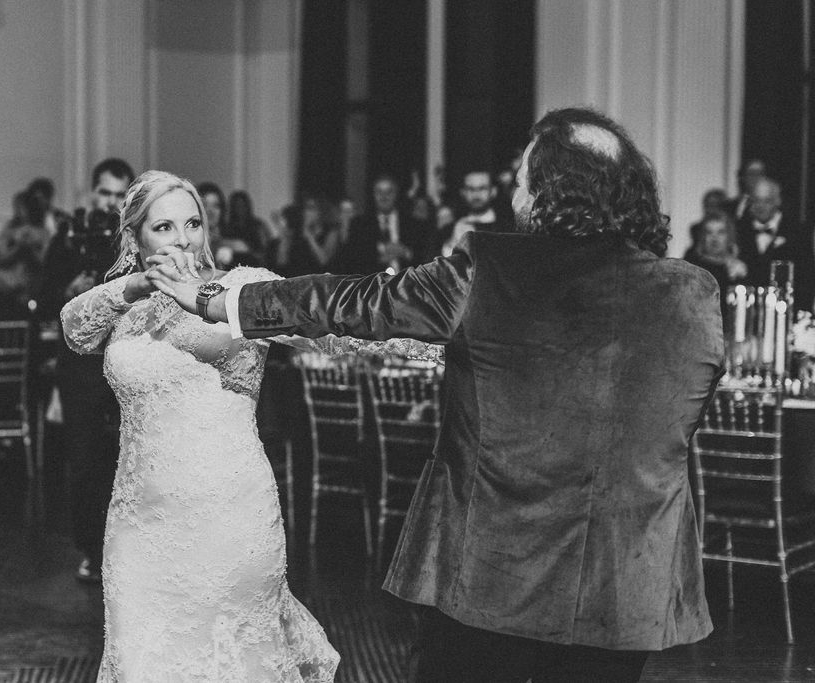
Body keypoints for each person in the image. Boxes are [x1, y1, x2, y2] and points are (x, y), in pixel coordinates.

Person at [152, 108, 724, 682]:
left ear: (551, 194)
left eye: (521, 181)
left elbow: (354, 301)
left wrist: (220, 300)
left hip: (490, 573)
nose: (514, 194)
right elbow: (680, 428)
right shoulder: (693, 294)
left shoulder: (486, 271)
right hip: (622, 584)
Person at [61, 170, 436, 680]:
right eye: (164, 227)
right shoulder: (128, 308)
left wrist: (431, 339)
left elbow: (331, 324)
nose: (183, 238)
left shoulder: (238, 288)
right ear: (135, 237)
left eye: (192, 223)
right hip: (139, 524)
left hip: (228, 515)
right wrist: (133, 286)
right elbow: (74, 329)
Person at [41, 156, 133, 583]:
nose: (111, 201)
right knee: (83, 460)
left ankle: (127, 548)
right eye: (105, 192)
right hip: (79, 365)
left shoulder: (134, 240)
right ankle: (91, 550)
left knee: (127, 457)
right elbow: (41, 297)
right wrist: (68, 290)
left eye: (120, 194)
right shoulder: (69, 237)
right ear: (92, 193)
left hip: (125, 358)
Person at [735, 176, 815, 311]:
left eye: (767, 201)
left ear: (778, 201)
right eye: (756, 201)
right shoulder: (739, 230)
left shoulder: (797, 231)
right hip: (748, 313)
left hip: (787, 312)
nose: (760, 206)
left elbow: (806, 277)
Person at [683, 212, 747, 293]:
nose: (714, 238)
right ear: (703, 237)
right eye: (709, 232)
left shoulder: (739, 265)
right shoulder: (692, 266)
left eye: (720, 232)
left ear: (729, 236)